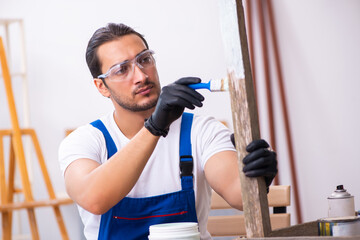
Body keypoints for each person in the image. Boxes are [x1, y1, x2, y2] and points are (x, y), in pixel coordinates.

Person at [58, 23, 277, 240]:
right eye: (122, 69)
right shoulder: (84, 141)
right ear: (101, 87)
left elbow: (239, 196)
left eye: (144, 59)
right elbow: (94, 199)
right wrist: (154, 127)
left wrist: (258, 176)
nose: (141, 76)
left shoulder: (200, 131)